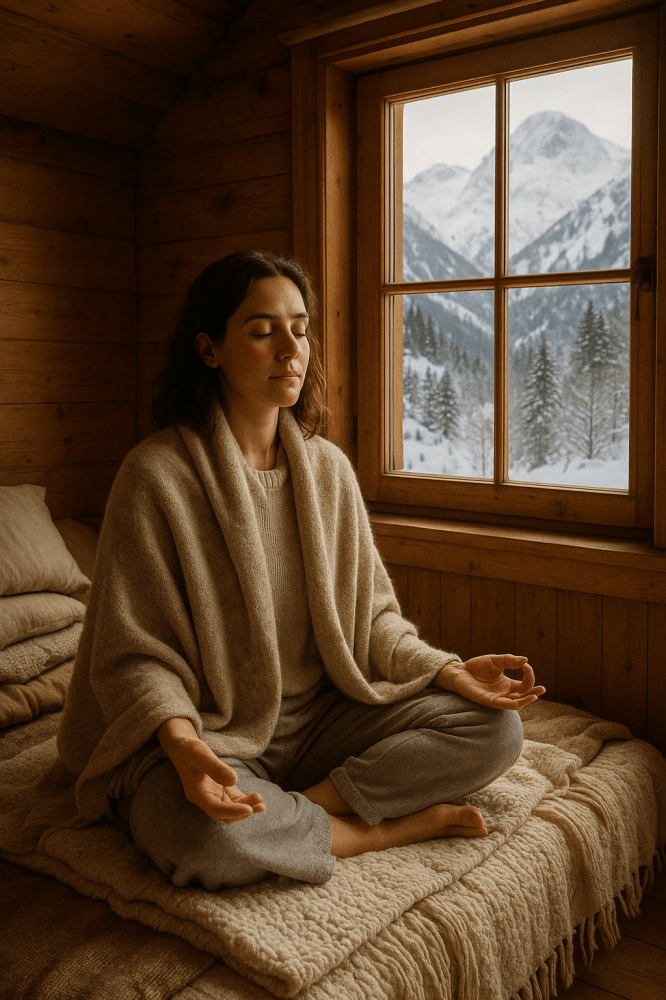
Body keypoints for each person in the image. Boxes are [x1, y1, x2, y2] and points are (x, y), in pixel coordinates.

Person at [57, 249, 545, 890]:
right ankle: (381, 828)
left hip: (320, 721)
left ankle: (304, 810)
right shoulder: (156, 477)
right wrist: (183, 749)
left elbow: (372, 621)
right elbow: (132, 657)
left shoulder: (328, 472)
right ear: (210, 350)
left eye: (301, 328)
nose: (292, 348)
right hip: (211, 730)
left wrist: (445, 669)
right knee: (203, 837)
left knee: (495, 731)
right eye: (263, 332)